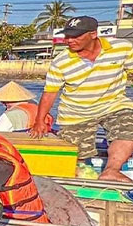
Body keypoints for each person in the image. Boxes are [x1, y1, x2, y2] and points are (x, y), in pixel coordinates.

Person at [34, 16, 133, 182]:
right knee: (78, 156)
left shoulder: (122, 48)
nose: (70, 40)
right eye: (68, 36)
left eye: (76, 36)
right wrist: (39, 120)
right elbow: (50, 92)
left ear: (93, 34)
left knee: (127, 129)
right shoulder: (61, 62)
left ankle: (111, 170)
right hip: (75, 112)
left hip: (114, 105)